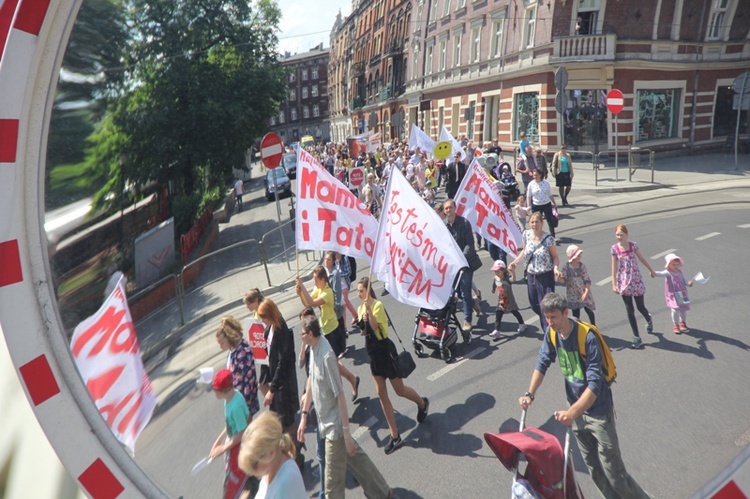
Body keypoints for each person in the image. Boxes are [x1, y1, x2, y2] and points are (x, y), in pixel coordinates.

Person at [519, 293, 652, 499]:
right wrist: (530, 394)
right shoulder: (552, 334)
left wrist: (572, 412)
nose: (549, 322)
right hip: (576, 411)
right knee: (595, 471)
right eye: (546, 317)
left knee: (614, 473)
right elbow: (542, 362)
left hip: (598, 412)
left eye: (553, 317)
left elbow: (595, 385)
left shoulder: (586, 337)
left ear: (566, 312)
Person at [297, 316, 392, 499]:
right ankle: (382, 492)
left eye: (302, 333)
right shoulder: (312, 346)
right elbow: (310, 380)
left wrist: (347, 433)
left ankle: (382, 492)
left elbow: (340, 394)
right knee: (357, 459)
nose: (300, 337)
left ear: (310, 334)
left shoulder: (327, 356)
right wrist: (304, 416)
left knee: (332, 487)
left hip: (335, 429)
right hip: (325, 424)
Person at [356, 277, 429, 454]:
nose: (358, 294)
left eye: (360, 291)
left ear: (368, 291)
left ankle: (422, 403)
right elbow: (364, 331)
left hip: (384, 352)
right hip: (373, 354)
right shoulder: (360, 308)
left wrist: (369, 315)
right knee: (382, 394)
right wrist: (362, 320)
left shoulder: (378, 306)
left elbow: (376, 329)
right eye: (358, 291)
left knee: (399, 390)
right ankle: (395, 436)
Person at [295, 266, 360, 400]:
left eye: (315, 280)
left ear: (323, 279)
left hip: (334, 332)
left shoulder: (327, 292)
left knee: (333, 365)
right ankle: (352, 379)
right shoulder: (319, 289)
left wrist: (302, 286)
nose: (314, 282)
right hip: (326, 331)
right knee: (333, 363)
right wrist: (301, 294)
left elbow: (312, 303)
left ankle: (341, 395)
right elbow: (307, 303)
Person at [256, 299, 301, 453]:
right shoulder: (269, 329)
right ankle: (292, 450)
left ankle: (296, 453)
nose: (263, 321)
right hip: (278, 383)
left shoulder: (281, 330)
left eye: (264, 317)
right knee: (280, 421)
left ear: (270, 314)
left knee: (287, 421)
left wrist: (272, 389)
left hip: (284, 386)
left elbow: (282, 363)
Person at [508, 212, 563, 333]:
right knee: (534, 305)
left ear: (542, 223)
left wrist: (555, 269)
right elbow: (524, 250)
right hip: (531, 276)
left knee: (547, 307)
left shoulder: (548, 239)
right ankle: (550, 321)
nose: (534, 224)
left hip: (546, 277)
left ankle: (549, 333)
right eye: (532, 222)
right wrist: (515, 262)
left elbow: (555, 256)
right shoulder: (526, 234)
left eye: (537, 222)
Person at [238, 411, 307, 499]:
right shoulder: (270, 469)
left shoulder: (286, 480)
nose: (251, 473)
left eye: (254, 465)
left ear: (270, 452)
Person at [610, 224, 655, 349]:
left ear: (626, 235)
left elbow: (641, 258)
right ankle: (636, 337)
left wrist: (651, 270)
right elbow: (614, 267)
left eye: (621, 235)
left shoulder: (633, 246)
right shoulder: (614, 249)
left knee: (640, 307)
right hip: (624, 283)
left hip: (636, 280)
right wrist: (614, 284)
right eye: (617, 235)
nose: (619, 237)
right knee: (630, 310)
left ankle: (648, 318)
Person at [209, 369, 251, 499]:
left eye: (215, 390)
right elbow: (229, 426)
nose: (214, 392)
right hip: (233, 443)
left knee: (234, 484)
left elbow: (242, 432)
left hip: (240, 447)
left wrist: (223, 448)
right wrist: (218, 442)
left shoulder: (236, 406)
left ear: (221, 392)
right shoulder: (230, 399)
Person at [215, 316, 261, 418]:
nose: (220, 347)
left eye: (222, 343)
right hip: (237, 400)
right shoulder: (232, 351)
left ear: (229, 337)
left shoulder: (243, 351)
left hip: (243, 402)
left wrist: (244, 406)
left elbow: (248, 381)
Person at [444, 199, 478, 332]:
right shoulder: (443, 226)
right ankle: (473, 303)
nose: (448, 210)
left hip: (465, 264)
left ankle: (467, 320)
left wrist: (461, 259)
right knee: (456, 292)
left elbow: (470, 243)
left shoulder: (464, 223)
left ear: (455, 208)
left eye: (450, 208)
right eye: (446, 208)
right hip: (452, 266)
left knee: (465, 291)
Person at [655, 253, 694, 334]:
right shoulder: (668, 272)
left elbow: (684, 280)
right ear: (669, 265)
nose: (676, 266)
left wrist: (688, 283)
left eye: (677, 264)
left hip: (682, 293)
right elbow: (659, 273)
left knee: (683, 309)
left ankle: (682, 322)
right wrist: (653, 272)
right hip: (672, 294)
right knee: (675, 309)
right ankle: (676, 324)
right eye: (673, 265)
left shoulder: (680, 272)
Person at [488, 260, 526, 339]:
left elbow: (513, 280)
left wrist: (513, 272)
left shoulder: (507, 279)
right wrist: (493, 289)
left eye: (498, 271)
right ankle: (497, 330)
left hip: (509, 300)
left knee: (514, 312)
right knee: (498, 314)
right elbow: (494, 284)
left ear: (503, 270)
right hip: (501, 300)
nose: (496, 273)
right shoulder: (495, 278)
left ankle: (522, 324)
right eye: (495, 271)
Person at [560, 245, 596, 325]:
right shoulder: (566, 267)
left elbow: (587, 280)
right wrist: (559, 278)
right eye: (578, 255)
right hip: (573, 293)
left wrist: (586, 292)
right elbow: (563, 280)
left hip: (583, 291)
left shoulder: (581, 266)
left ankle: (594, 326)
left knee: (588, 309)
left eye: (580, 255)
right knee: (575, 313)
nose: (580, 256)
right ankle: (577, 328)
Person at [244, 289, 270, 397]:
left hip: (267, 352)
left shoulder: (262, 312)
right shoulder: (256, 312)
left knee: (262, 384)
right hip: (263, 354)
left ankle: (274, 405)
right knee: (265, 383)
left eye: (249, 304)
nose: (247, 307)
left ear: (255, 300)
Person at [525, 169, 558, 238]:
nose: (535, 177)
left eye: (536, 175)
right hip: (536, 205)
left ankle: (552, 237)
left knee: (550, 220)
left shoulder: (545, 183)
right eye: (533, 175)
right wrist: (528, 206)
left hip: (546, 204)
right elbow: (528, 196)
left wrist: (554, 203)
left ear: (540, 175)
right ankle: (536, 235)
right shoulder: (531, 184)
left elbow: (550, 194)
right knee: (536, 221)